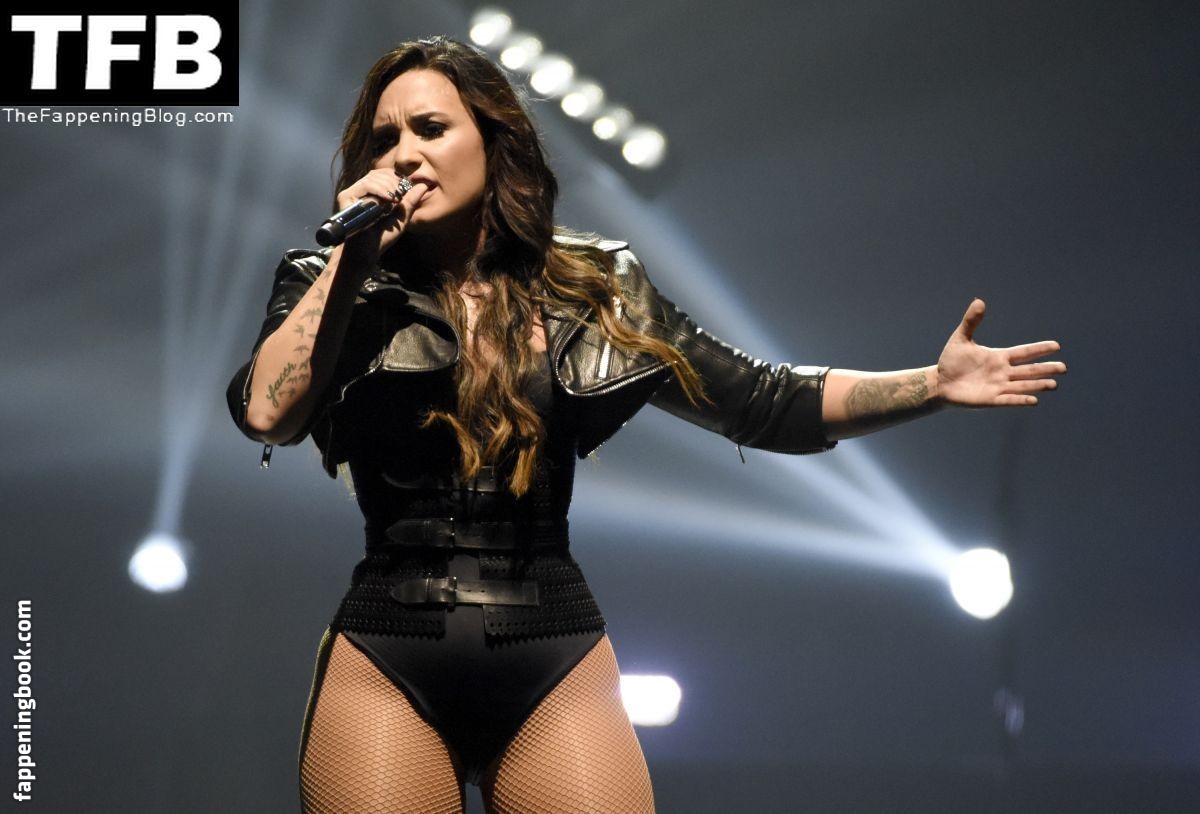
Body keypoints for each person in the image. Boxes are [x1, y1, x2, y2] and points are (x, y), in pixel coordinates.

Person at [226, 36, 1064, 814]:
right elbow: (267, 412)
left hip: (550, 644)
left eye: (431, 128)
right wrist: (349, 263)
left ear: (492, 140)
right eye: (384, 140)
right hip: (390, 647)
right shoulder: (329, 280)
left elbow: (762, 399)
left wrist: (932, 385)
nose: (403, 154)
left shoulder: (593, 285)